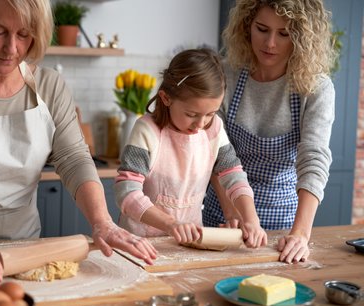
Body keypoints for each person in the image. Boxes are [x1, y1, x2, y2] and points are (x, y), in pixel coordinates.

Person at [0, 0, 156, 286]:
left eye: (24, 34)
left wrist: (102, 221)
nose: (12, 49)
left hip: (19, 247)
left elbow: (74, 158)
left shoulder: (50, 85)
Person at [203, 0, 337, 264]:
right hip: (224, 214)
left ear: (301, 37)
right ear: (246, 25)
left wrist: (300, 234)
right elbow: (214, 150)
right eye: (262, 29)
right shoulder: (226, 74)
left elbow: (314, 159)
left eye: (284, 34)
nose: (270, 43)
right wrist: (234, 215)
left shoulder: (315, 88)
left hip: (282, 222)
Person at [114, 48, 267, 248]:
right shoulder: (147, 131)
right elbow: (126, 192)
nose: (200, 124)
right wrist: (171, 224)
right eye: (192, 114)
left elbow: (233, 175)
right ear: (166, 98)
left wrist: (250, 219)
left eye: (210, 114)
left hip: (190, 244)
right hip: (141, 244)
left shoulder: (214, 129)